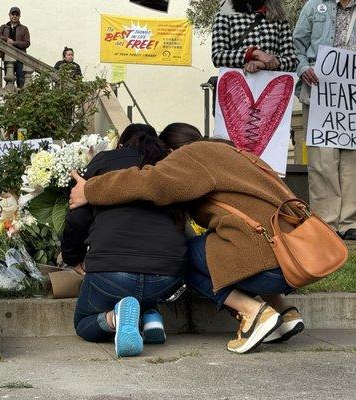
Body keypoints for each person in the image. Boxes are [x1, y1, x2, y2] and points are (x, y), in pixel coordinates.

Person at [69, 130, 306, 354]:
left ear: (172, 152)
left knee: (186, 256)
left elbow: (148, 182)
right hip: (295, 259)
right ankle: (284, 313)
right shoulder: (236, 155)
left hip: (266, 262)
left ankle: (253, 312)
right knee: (221, 246)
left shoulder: (193, 159)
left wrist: (89, 189)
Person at [62, 124, 187, 357]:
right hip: (168, 277)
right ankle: (150, 317)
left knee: (83, 323)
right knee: (143, 278)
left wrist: (73, 257)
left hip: (112, 273)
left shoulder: (105, 160)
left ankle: (116, 317)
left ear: (120, 145)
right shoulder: (171, 167)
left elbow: (78, 216)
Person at [293, 0, 356, 240]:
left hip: (352, 96)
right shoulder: (313, 6)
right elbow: (295, 45)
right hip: (319, 95)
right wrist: (302, 68)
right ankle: (325, 221)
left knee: (353, 159)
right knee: (321, 159)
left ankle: (350, 222)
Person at [212, 0, 298, 73]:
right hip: (235, 86)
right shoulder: (225, 14)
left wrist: (265, 64)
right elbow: (217, 56)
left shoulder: (278, 17)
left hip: (273, 87)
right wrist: (253, 54)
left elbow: (293, 60)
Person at [0, 7, 31, 88]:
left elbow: (27, 43)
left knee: (21, 81)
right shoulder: (4, 27)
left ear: (19, 16)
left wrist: (14, 42)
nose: (15, 16)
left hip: (20, 58)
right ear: (9, 15)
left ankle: (20, 99)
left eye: (17, 14)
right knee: (9, 81)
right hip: (7, 56)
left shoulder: (24, 29)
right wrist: (6, 39)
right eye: (13, 14)